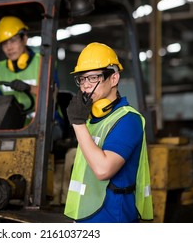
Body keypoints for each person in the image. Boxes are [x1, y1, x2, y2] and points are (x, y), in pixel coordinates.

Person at [64, 42, 153, 223]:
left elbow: (103, 169)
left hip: (112, 218)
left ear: (113, 79)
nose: (86, 86)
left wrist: (77, 123)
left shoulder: (128, 120)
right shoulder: (91, 119)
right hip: (85, 216)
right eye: (82, 79)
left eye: (93, 78)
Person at [0, 15, 63, 132]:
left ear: (24, 39)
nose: (9, 48)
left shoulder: (43, 63)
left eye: (13, 41)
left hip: (46, 125)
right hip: (14, 127)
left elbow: (53, 94)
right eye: (4, 43)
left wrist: (28, 88)